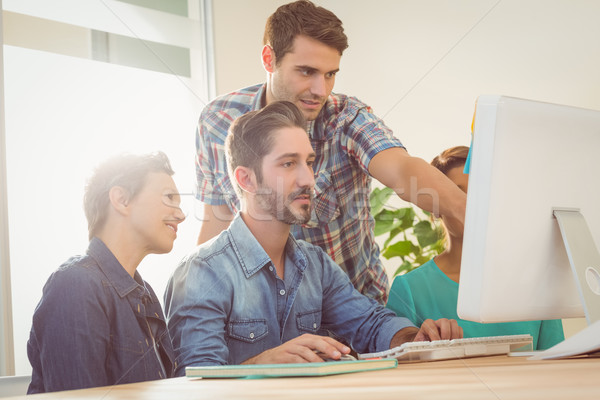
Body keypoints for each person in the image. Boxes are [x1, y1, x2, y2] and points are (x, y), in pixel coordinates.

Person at [194, 0, 467, 304]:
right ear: (269, 59)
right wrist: (197, 296)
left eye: (329, 74)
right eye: (307, 71)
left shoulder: (347, 118)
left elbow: (402, 169)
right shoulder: (218, 121)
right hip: (266, 312)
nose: (320, 90)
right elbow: (216, 220)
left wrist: (467, 213)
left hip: (354, 311)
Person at [165, 101, 462, 372]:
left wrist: (415, 337)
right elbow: (193, 381)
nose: (309, 178)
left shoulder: (315, 264)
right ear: (247, 179)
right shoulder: (202, 272)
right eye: (288, 163)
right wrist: (259, 364)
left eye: (309, 161)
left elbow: (370, 325)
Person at [27, 151, 186, 393]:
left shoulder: (146, 295)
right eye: (169, 198)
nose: (181, 215)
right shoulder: (76, 286)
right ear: (121, 199)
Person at [386, 146, 564, 350]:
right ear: (433, 206)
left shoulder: (536, 283)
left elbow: (558, 365)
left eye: (480, 193)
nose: (470, 205)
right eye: (457, 194)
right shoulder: (410, 289)